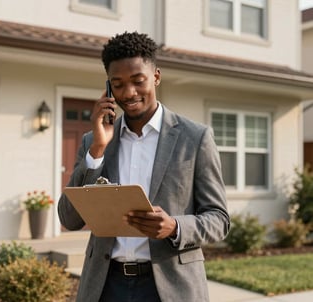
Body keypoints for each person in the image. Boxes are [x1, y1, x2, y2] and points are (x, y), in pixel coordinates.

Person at [58, 31, 230, 302]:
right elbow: (69, 219)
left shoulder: (195, 138)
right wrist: (97, 152)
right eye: (118, 84)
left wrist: (175, 226)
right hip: (106, 286)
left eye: (138, 81)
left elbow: (219, 219)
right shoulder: (95, 140)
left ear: (156, 77)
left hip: (169, 287)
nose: (129, 93)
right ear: (108, 88)